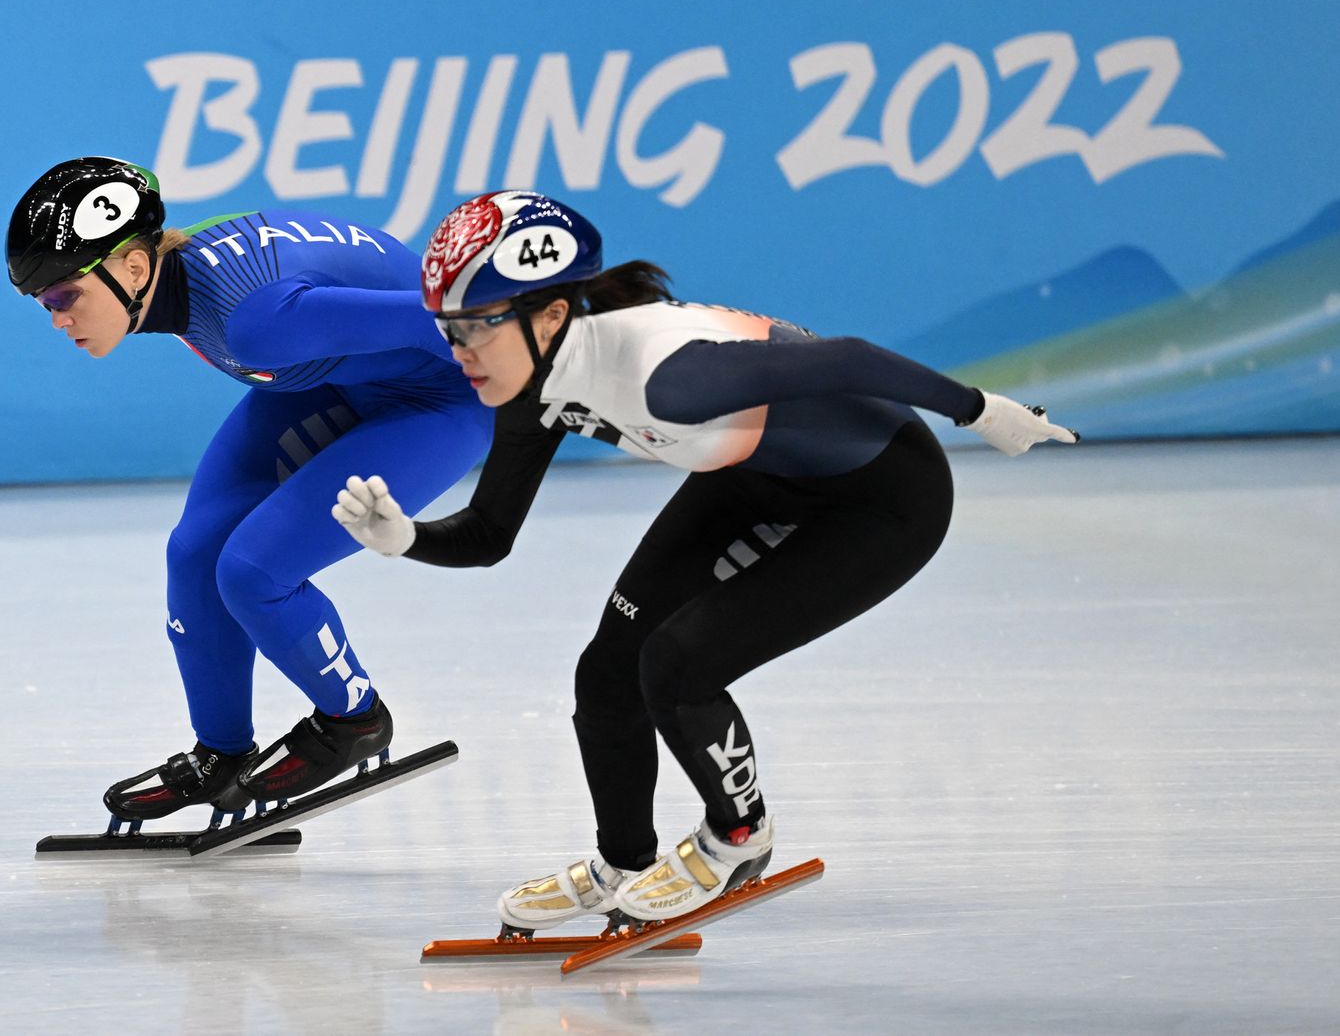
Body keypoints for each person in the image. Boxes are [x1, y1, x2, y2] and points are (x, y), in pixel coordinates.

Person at [331, 190, 1078, 927]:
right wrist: (407, 539)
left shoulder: (669, 377)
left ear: (551, 315)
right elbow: (490, 533)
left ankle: (741, 837)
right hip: (754, 476)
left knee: (679, 666)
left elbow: (846, 359)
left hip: (884, 502)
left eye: (475, 328)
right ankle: (623, 860)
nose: (458, 353)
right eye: (448, 331)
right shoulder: (528, 384)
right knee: (607, 671)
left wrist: (980, 410)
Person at [5, 157, 493, 822]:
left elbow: (453, 316)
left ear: (135, 268)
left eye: (64, 295)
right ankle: (222, 754)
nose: (57, 317)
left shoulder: (253, 319)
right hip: (339, 381)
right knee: (195, 554)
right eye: (42, 304)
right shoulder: (185, 285)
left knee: (254, 571)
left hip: (440, 398)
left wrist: (577, 365)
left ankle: (354, 721)